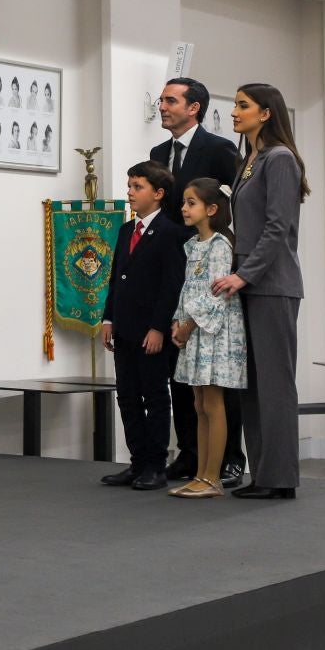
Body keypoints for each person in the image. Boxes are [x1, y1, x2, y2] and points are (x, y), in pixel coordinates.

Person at [212, 83, 308, 501]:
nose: (234, 111)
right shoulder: (249, 160)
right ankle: (265, 474)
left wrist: (243, 275)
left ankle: (280, 476)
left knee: (275, 386)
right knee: (251, 385)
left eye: (242, 105)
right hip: (250, 284)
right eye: (235, 104)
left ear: (266, 113)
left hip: (272, 285)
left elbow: (277, 228)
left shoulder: (281, 159)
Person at [153, 78, 247, 487]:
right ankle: (191, 454)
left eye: (170, 100)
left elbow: (235, 204)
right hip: (177, 262)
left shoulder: (220, 149)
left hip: (214, 260)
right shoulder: (159, 153)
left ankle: (228, 458)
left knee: (219, 383)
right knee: (184, 375)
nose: (162, 106)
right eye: (161, 100)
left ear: (194, 108)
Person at [100, 162, 185, 491]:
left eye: (138, 187)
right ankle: (136, 462)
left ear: (159, 193)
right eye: (130, 186)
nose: (130, 192)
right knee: (127, 397)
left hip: (151, 332)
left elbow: (170, 285)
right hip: (123, 328)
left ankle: (156, 464)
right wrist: (108, 318)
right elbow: (115, 279)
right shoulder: (125, 231)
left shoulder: (170, 232)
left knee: (155, 396)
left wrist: (158, 327)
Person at [169, 179, 248, 498]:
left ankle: (213, 479)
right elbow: (188, 289)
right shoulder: (193, 245)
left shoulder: (219, 244)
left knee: (213, 403)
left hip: (214, 332)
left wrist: (188, 323)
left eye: (191, 203)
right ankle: (201, 474)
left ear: (211, 209)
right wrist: (178, 321)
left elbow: (217, 293)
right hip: (194, 329)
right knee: (199, 402)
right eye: (184, 202)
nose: (184, 208)